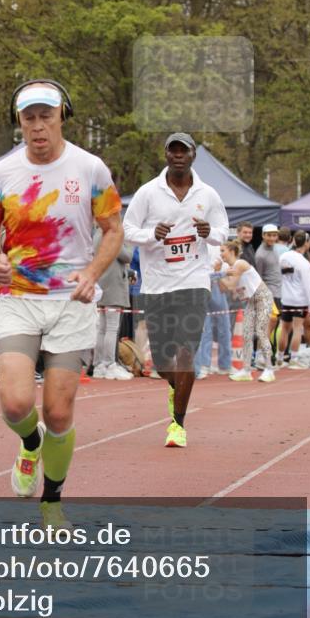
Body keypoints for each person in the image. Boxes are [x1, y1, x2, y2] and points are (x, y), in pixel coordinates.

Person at [0, 80, 123, 534]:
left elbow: (113, 229)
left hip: (70, 301)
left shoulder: (90, 168)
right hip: (19, 298)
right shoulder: (2, 172)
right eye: (29, 118)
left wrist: (92, 273)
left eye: (46, 116)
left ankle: (52, 501)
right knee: (16, 403)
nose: (38, 126)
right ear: (18, 122)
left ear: (63, 116)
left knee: (59, 412)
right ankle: (29, 443)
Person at [123, 132, 229, 449]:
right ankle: (176, 386)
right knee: (162, 362)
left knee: (186, 353)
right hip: (157, 285)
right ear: (166, 155)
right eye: (174, 151)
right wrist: (151, 235)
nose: (179, 155)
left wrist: (209, 233)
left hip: (194, 283)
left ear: (193, 155)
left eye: (184, 151)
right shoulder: (147, 193)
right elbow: (127, 229)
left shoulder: (208, 194)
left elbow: (223, 231)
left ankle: (177, 424)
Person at [218, 239, 275, 382]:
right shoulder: (228, 268)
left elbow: (230, 286)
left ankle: (269, 369)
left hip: (263, 297)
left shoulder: (239, 263)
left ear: (232, 251)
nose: (221, 254)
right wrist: (219, 274)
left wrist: (219, 273)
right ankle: (246, 370)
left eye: (223, 251)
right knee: (247, 334)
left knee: (261, 332)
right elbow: (223, 289)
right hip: (250, 301)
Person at [92, 240, 134, 380]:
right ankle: (109, 364)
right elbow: (127, 256)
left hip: (101, 282)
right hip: (113, 285)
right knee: (111, 328)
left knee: (102, 329)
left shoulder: (97, 234)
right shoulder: (113, 234)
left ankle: (99, 365)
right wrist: (128, 243)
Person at [193, 244, 232, 379]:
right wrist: (218, 273)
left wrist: (220, 274)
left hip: (216, 287)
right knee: (205, 331)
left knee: (224, 329)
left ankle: (225, 365)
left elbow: (226, 276)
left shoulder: (218, 244)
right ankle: (204, 365)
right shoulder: (196, 245)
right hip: (201, 288)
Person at [278, 231, 310, 369]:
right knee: (297, 328)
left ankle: (280, 358)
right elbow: (307, 287)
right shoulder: (304, 263)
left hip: (286, 298)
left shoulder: (283, 257)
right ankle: (293, 359)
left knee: (284, 329)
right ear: (307, 243)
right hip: (299, 300)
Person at [255, 223, 283, 355]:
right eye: (269, 235)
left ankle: (265, 354)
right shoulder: (260, 254)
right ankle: (260, 354)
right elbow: (258, 278)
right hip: (268, 294)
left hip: (277, 292)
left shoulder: (275, 249)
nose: (272, 238)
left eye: (274, 235)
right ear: (263, 236)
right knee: (268, 324)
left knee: (273, 325)